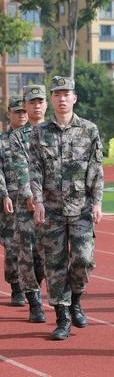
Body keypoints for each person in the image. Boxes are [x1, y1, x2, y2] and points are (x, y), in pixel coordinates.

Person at [29, 76, 104, 340]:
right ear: (52, 99)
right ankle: (62, 317)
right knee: (55, 264)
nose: (62, 98)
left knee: (84, 259)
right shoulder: (39, 133)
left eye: (66, 94)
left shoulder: (89, 130)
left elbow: (96, 169)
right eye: (57, 94)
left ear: (75, 98)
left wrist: (97, 202)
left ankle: (76, 301)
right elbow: (34, 170)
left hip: (81, 207)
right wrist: (37, 200)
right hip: (51, 209)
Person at [10, 85, 48, 323]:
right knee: (26, 254)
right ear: (26, 104)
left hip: (53, 204)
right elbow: (20, 168)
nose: (36, 106)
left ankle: (38, 286)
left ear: (46, 104)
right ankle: (34, 301)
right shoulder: (17, 137)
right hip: (27, 205)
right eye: (31, 102)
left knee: (47, 255)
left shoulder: (55, 132)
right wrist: (30, 196)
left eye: (40, 101)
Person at [0, 96, 28, 306]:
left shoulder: (38, 136)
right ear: (9, 113)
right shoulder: (2, 141)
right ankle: (16, 286)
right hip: (10, 200)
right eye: (17, 111)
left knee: (36, 247)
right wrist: (4, 194)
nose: (22, 115)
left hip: (34, 201)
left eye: (24, 111)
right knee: (12, 246)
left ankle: (33, 284)